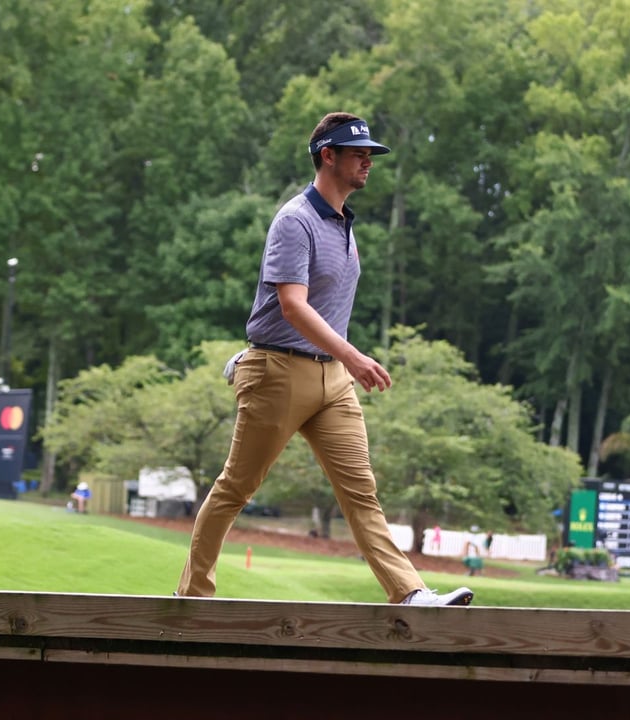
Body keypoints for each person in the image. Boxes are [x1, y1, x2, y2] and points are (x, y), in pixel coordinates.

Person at [175, 112, 472, 607]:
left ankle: (411, 593)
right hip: (278, 373)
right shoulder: (295, 220)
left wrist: (342, 364)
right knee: (235, 488)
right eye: (358, 154)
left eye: (370, 155)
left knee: (361, 494)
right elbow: (292, 305)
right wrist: (352, 356)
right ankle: (192, 595)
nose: (367, 163)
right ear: (326, 156)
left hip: (332, 380)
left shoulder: (343, 224)